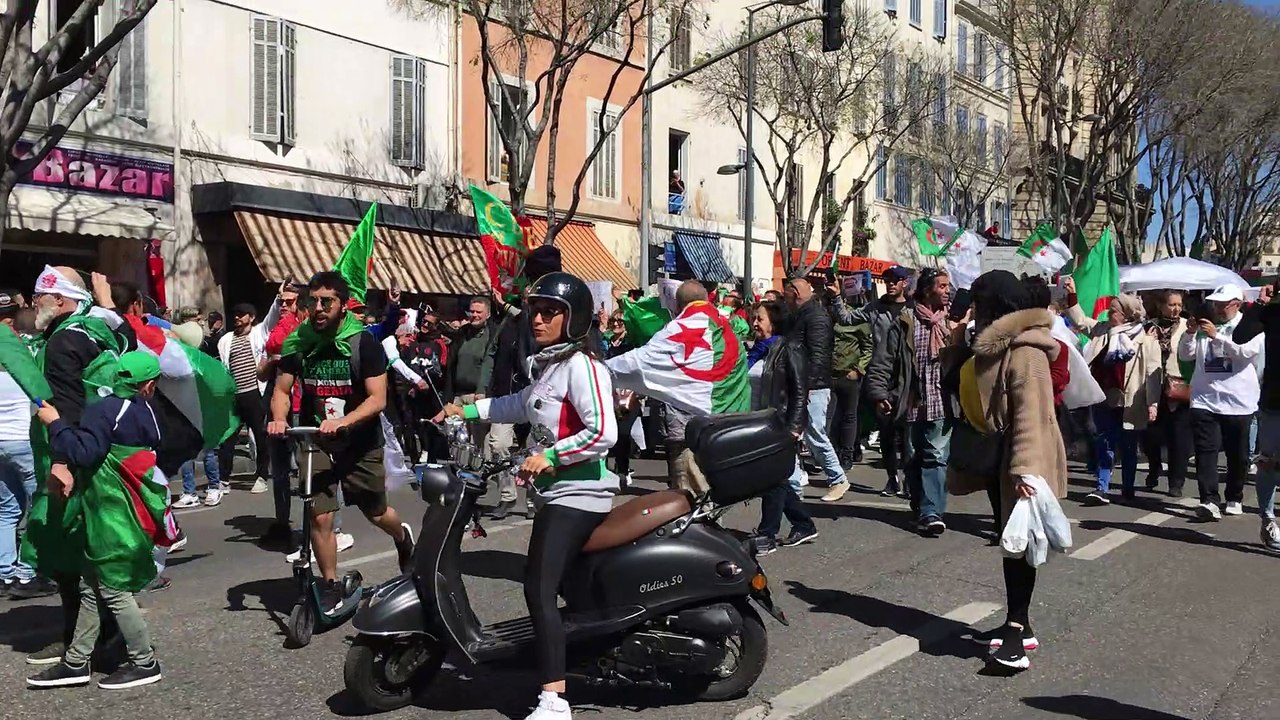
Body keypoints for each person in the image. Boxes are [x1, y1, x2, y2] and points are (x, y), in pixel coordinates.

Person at [438, 271, 618, 720]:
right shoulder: (550, 366)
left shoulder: (583, 367)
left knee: (539, 587)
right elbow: (517, 404)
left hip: (580, 492)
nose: (538, 319)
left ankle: (555, 701)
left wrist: (551, 456)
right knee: (562, 583)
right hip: (555, 493)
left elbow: (603, 432)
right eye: (535, 310)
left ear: (574, 318)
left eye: (550, 312)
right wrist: (466, 409)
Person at [267, 272, 415, 615]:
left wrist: (344, 422)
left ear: (343, 305)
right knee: (319, 516)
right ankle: (330, 585)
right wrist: (279, 418)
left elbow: (377, 399)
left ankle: (402, 536)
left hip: (359, 441)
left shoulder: (363, 343)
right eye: (313, 301)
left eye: (327, 301)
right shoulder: (298, 342)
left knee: (376, 512)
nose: (318, 308)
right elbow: (282, 390)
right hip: (316, 439)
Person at [26, 352, 171, 690]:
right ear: (149, 385)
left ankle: (144, 661)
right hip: (130, 507)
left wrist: (55, 423)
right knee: (91, 585)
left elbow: (84, 453)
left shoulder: (104, 410)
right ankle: (77, 662)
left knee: (113, 588)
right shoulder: (147, 412)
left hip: (111, 509)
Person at [948, 270, 1067, 672]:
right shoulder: (991, 346)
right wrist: (956, 339)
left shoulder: (1027, 351)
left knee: (1021, 546)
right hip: (998, 455)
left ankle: (1016, 633)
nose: (973, 311)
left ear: (994, 307)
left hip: (1021, 459)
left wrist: (1025, 470)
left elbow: (1032, 415)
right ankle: (1020, 622)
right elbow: (954, 383)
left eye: (978, 304)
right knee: (1009, 540)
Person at [23, 266, 128, 666]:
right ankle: (91, 634)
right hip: (97, 452)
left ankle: (90, 639)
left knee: (69, 552)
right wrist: (107, 303)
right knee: (84, 547)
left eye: (40, 296)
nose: (34, 303)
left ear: (60, 299)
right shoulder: (95, 329)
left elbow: (67, 404)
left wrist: (62, 463)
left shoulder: (65, 340)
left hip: (71, 457)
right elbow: (129, 338)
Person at [1062, 278, 1161, 505]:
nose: (1109, 313)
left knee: (1128, 447)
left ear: (1127, 315)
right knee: (1104, 442)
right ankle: (1102, 487)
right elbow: (1080, 321)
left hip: (1131, 401)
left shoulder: (1146, 341)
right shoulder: (1103, 330)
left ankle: (1127, 489)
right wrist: (1072, 295)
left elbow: (1153, 376)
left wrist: (1153, 403)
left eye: (1114, 311)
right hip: (1104, 397)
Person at [486, 245, 564, 519]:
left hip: (545, 398)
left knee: (537, 449)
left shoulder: (567, 321)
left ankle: (535, 500)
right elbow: (495, 354)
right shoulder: (517, 319)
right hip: (513, 392)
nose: (540, 317)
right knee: (498, 443)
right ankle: (507, 496)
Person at [1177, 284, 1263, 521]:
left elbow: (1244, 353)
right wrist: (1190, 333)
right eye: (1215, 304)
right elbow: (1186, 354)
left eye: (1223, 304)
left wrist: (1218, 336)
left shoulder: (1251, 326)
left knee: (1238, 454)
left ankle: (1234, 496)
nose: (1218, 308)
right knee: (1206, 451)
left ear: (1237, 304)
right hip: (1205, 399)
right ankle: (1209, 500)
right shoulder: (1206, 326)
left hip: (1237, 400)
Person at [747, 301, 818, 554]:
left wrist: (795, 427)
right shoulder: (756, 351)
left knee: (773, 479)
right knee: (773, 479)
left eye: (760, 319)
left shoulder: (789, 349)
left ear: (774, 323)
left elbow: (799, 391)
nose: (754, 323)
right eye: (754, 318)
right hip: (756, 423)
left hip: (778, 423)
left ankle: (767, 534)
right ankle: (803, 524)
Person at [0, 291, 56, 600]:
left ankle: (4, 572)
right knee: (40, 505)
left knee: (7, 509)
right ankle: (28, 572)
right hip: (24, 442)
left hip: (1, 443)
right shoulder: (27, 360)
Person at [844, 265, 913, 497]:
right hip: (882, 375)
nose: (891, 284)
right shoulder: (875, 308)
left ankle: (909, 479)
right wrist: (835, 298)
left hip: (907, 377)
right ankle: (892, 478)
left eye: (895, 280)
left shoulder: (914, 309)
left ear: (905, 283)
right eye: (888, 280)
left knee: (908, 434)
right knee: (887, 432)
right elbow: (847, 318)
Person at [215, 291, 285, 504]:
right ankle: (223, 479)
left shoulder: (258, 333)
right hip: (234, 396)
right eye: (235, 314)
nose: (237, 317)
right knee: (227, 438)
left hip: (255, 394)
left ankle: (261, 475)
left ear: (251, 317)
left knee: (260, 436)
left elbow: (272, 317)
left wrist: (278, 298)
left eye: (242, 314)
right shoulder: (226, 340)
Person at [899, 268, 955, 534]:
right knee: (913, 457)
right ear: (926, 290)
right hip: (913, 400)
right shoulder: (907, 319)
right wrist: (882, 393)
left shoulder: (951, 321)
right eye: (942, 286)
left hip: (941, 401)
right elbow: (890, 358)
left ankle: (932, 512)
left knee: (935, 457)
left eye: (948, 286)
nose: (947, 291)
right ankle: (920, 506)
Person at [784, 279, 849, 501]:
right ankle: (793, 486)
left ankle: (838, 478)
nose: (785, 300)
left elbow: (818, 357)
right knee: (794, 435)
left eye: (787, 294)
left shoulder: (816, 317)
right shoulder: (802, 315)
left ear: (795, 293)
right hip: (804, 385)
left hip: (813, 387)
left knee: (814, 433)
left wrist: (807, 388)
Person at [1234, 284, 1280, 548]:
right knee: (1269, 462)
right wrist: (1260, 304)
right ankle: (1268, 518)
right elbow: (1241, 336)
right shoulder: (1272, 312)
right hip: (1275, 401)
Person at [1141, 289, 1192, 497]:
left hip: (1179, 387)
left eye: (1179, 304)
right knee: (1150, 436)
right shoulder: (1149, 327)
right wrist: (1146, 340)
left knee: (1179, 438)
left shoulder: (1187, 327)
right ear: (1161, 305)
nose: (1176, 309)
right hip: (1153, 387)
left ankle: (1176, 482)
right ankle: (1154, 467)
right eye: (1171, 305)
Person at [829, 286, 873, 469]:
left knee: (849, 416)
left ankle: (847, 454)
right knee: (832, 417)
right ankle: (833, 452)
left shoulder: (858, 319)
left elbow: (868, 347)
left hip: (849, 375)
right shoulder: (829, 317)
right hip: (831, 374)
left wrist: (859, 370)